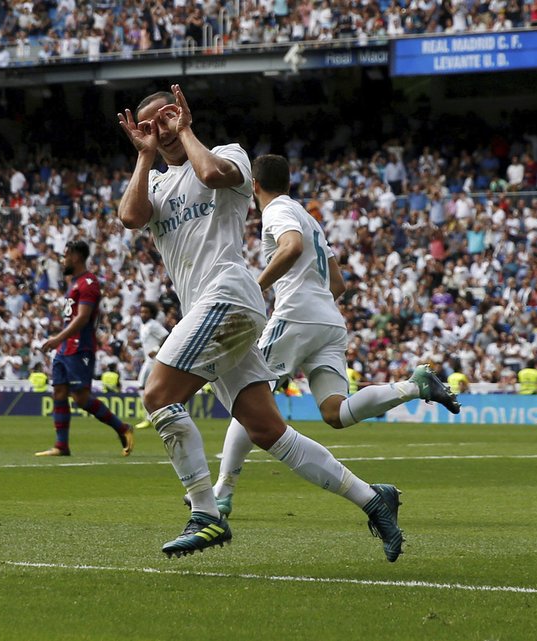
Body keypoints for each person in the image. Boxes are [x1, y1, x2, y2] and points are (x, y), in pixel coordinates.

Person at [117, 85, 404, 561]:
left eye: (167, 117)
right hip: (210, 312)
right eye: (150, 125)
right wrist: (145, 155)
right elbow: (130, 217)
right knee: (267, 430)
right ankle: (372, 498)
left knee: (157, 395)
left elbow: (209, 174)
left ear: (183, 114)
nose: (161, 129)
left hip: (228, 295)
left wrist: (183, 130)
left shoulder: (229, 155)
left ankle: (206, 514)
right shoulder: (154, 184)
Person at [210, 154, 460, 517]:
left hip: (296, 314)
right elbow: (338, 283)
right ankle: (415, 385)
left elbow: (290, 246)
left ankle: (223, 491)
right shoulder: (308, 216)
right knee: (336, 412)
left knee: (251, 398)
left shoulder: (276, 210)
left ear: (254, 186)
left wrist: (256, 287)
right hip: (328, 319)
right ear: (290, 183)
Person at [34, 240, 134, 458]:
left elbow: (83, 318)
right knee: (59, 392)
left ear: (77, 256)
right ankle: (61, 446)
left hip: (80, 347)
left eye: (66, 255)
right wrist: (60, 341)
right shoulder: (75, 283)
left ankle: (122, 428)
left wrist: (57, 337)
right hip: (65, 347)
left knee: (81, 398)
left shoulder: (89, 283)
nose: (63, 260)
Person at [134, 301, 169, 429]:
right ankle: (153, 416)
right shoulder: (144, 326)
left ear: (152, 313)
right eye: (142, 312)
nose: (143, 314)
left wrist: (155, 349)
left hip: (154, 361)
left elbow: (166, 336)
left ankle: (150, 418)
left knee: (142, 386)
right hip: (148, 360)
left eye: (146, 312)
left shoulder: (154, 325)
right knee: (146, 388)